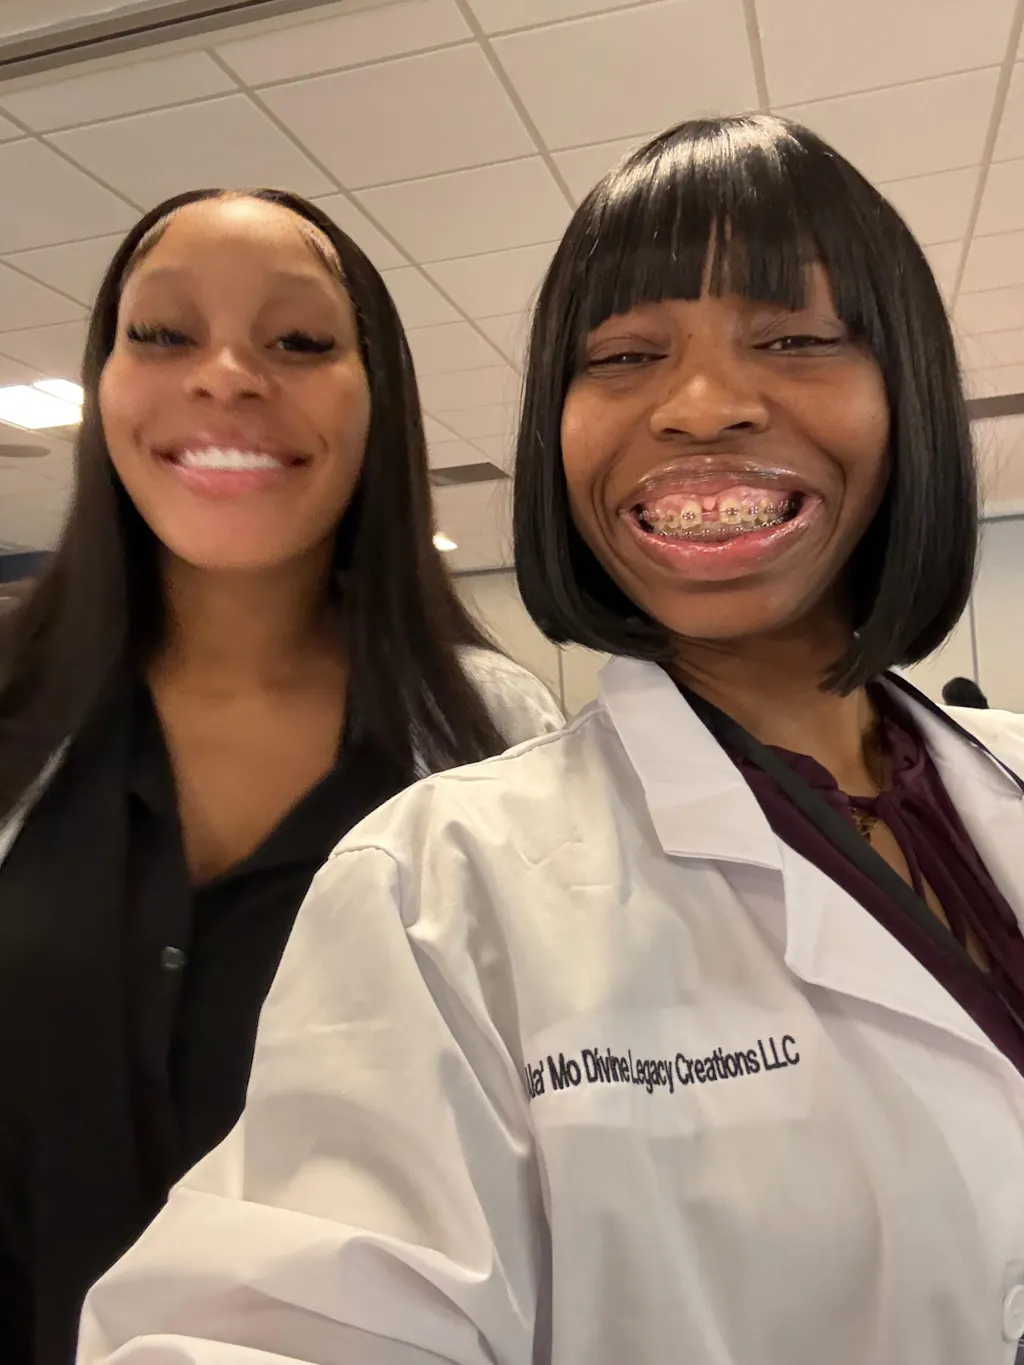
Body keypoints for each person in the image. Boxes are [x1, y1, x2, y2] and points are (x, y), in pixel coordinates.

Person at [79, 118, 1024, 1365]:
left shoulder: (1001, 778)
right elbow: (292, 1318)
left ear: (907, 392)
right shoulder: (441, 879)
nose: (701, 405)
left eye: (794, 339)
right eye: (623, 355)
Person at [0, 186, 563, 1365]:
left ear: (378, 401)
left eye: (299, 340)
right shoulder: (12, 710)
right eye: (163, 333)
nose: (224, 377)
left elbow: (547, 1163)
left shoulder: (492, 738)